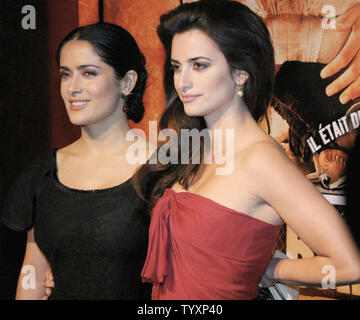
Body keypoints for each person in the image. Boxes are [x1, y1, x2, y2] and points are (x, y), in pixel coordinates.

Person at [133, 0, 360, 300]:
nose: (182, 82)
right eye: (177, 67)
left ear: (241, 73)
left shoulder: (261, 159)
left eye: (199, 65)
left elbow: (349, 265)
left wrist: (271, 270)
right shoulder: (193, 149)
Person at [0, 22, 155, 300]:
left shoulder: (164, 171)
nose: (72, 87)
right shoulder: (43, 173)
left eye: (88, 73)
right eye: (65, 74)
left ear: (127, 82)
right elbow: (33, 271)